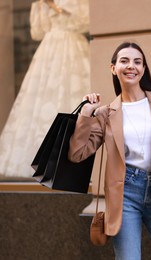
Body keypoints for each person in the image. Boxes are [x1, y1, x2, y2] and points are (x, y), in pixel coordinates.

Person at [68, 41, 151, 259]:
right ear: (113, 68)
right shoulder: (106, 113)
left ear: (143, 69)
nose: (131, 66)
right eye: (124, 61)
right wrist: (85, 114)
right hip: (125, 194)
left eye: (137, 62)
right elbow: (77, 154)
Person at [0, 0, 90, 178]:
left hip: (73, 46)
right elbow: (37, 32)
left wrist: (56, 7)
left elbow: (85, 21)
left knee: (73, 94)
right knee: (39, 101)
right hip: (48, 51)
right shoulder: (41, 3)